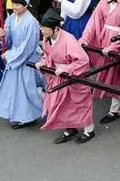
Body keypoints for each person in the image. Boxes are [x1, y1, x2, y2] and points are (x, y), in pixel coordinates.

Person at [37, 8, 95, 144]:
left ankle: (89, 130)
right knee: (63, 104)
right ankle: (70, 128)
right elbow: (47, 55)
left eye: (45, 28)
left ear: (56, 28)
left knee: (80, 102)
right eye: (42, 27)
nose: (42, 31)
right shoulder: (47, 39)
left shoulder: (68, 39)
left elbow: (83, 60)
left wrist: (67, 68)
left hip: (74, 75)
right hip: (58, 75)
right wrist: (43, 62)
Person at [0, 0, 44, 128]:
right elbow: (8, 41)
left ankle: (27, 115)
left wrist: (9, 55)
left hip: (27, 59)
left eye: (18, 5)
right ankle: (19, 114)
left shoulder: (31, 22)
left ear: (26, 5)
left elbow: (29, 46)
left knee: (27, 88)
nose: (14, 7)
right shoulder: (11, 18)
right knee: (16, 88)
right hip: (15, 57)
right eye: (13, 4)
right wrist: (3, 35)